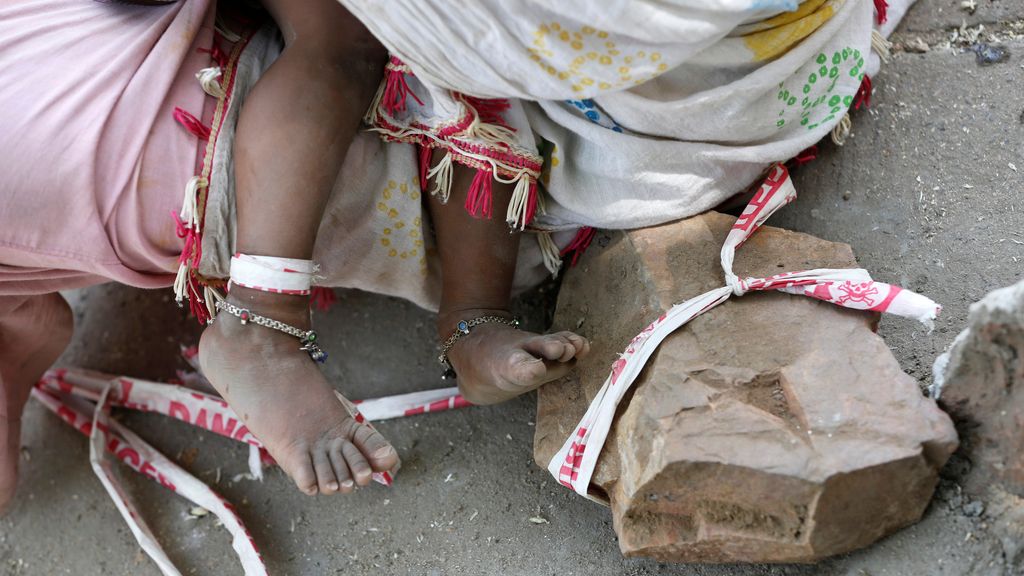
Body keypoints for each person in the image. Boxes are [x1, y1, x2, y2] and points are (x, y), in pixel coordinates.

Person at [1, 0, 904, 511]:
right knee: (374, 52)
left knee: (378, 55)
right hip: (238, 108)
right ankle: (420, 320)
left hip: (221, 128)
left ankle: (328, 317)